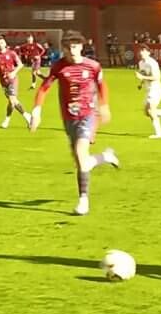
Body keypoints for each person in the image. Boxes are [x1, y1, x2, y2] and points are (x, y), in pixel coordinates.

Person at [29, 33, 120, 216]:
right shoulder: (59, 67)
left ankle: (83, 201)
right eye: (68, 47)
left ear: (81, 47)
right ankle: (105, 157)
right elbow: (44, 88)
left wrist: (104, 105)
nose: (72, 51)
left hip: (88, 114)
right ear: (63, 49)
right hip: (68, 117)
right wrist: (37, 110)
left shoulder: (93, 66)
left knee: (80, 155)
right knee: (81, 162)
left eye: (75, 46)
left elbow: (102, 86)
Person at [0, 36, 34, 130]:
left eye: (2, 42)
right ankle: (14, 118)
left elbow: (20, 64)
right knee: (11, 102)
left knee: (12, 100)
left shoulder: (11, 53)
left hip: (12, 80)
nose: (0, 44)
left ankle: (22, 117)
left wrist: (14, 72)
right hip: (3, 82)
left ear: (5, 44)